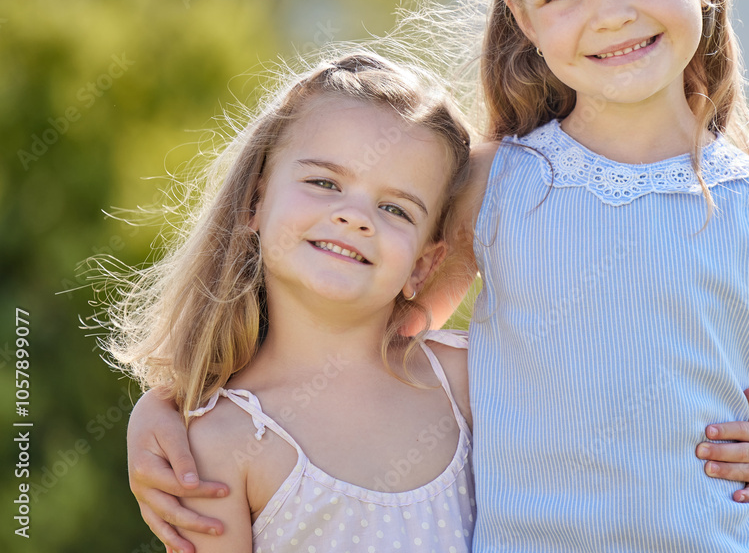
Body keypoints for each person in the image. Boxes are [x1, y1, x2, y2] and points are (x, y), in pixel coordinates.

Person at [124, 0, 749, 552]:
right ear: (522, 15)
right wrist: (172, 408)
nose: (611, 15)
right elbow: (358, 339)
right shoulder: (492, 188)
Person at [107, 53, 478, 552]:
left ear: (423, 265)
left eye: (394, 208)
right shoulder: (217, 443)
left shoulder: (469, 381)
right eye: (324, 183)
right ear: (254, 203)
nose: (355, 217)